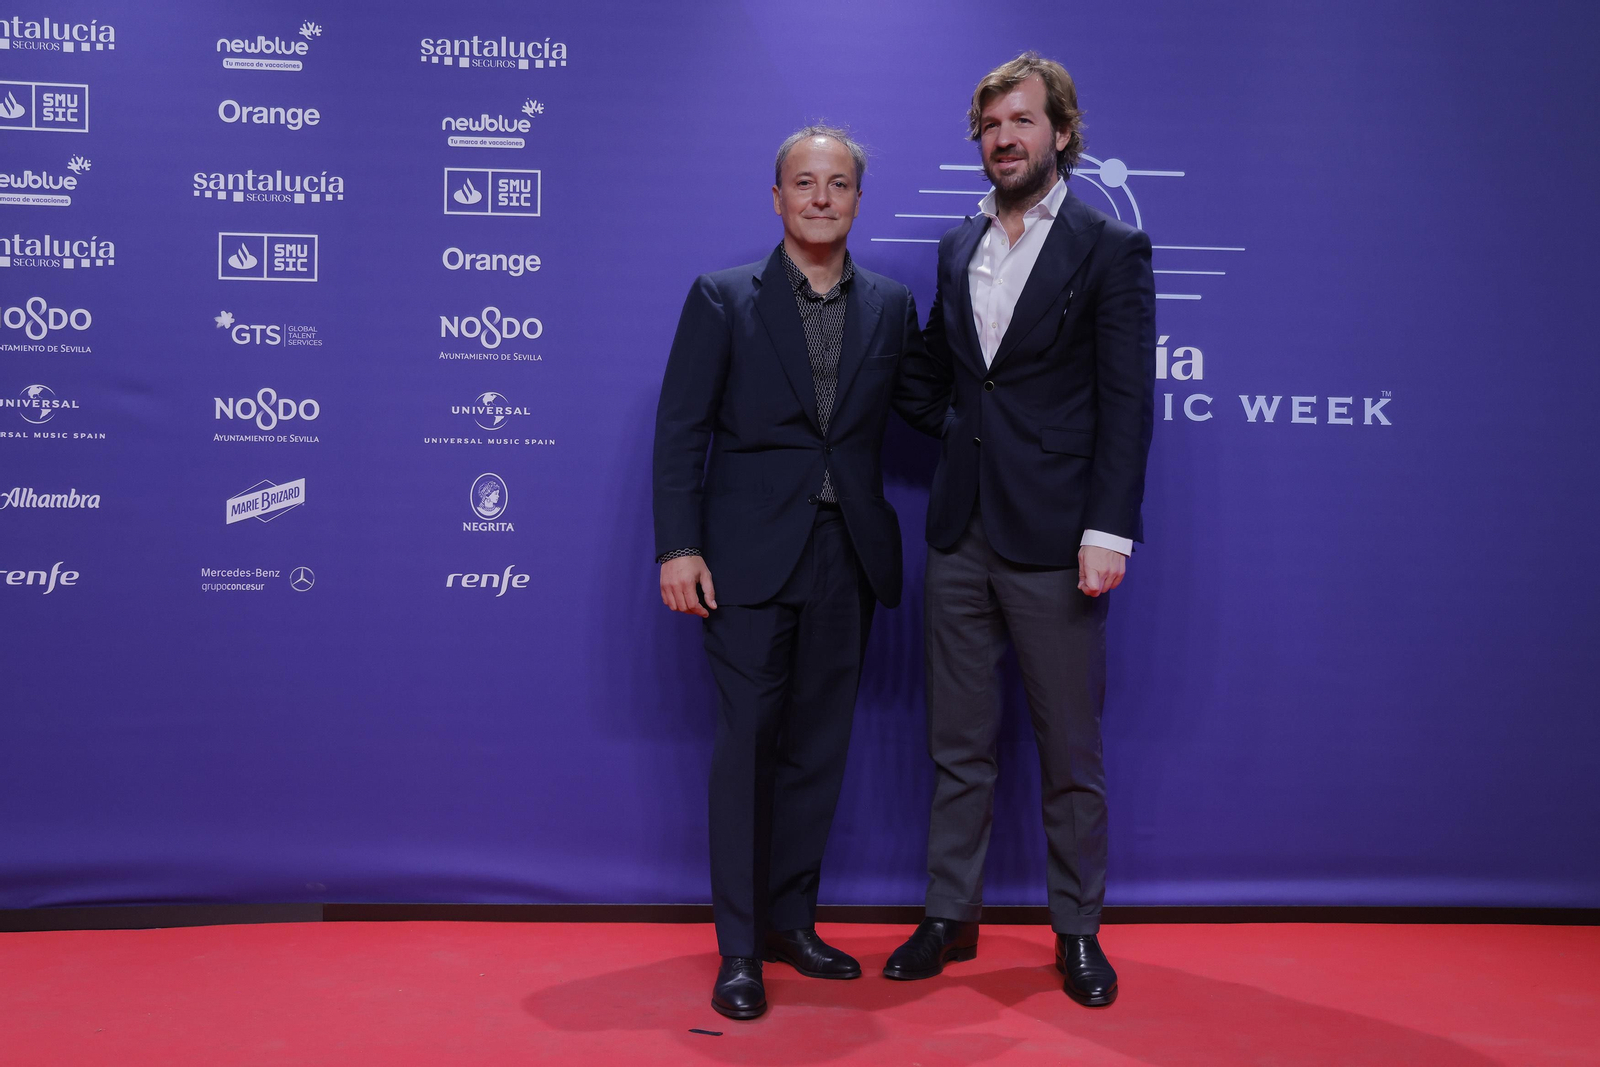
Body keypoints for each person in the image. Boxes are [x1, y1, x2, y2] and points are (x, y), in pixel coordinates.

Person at [884, 53, 1156, 1007]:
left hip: (1059, 535)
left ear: (1062, 133)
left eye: (1022, 121)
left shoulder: (1109, 248)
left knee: (1069, 750)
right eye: (992, 125)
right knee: (957, 741)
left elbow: (1128, 404)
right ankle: (948, 913)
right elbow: (942, 372)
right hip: (959, 529)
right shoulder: (959, 244)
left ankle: (1077, 929)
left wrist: (1109, 530)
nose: (1004, 138)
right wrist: (960, 429)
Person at [652, 125, 933, 1020]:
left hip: (847, 555)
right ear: (776, 197)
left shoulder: (890, 304)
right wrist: (678, 546)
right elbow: (680, 432)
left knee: (818, 748)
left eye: (838, 183)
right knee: (747, 751)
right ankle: (740, 950)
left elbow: (935, 406)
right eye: (804, 183)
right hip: (744, 560)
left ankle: (790, 922)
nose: (821, 197)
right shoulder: (723, 297)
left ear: (858, 200)